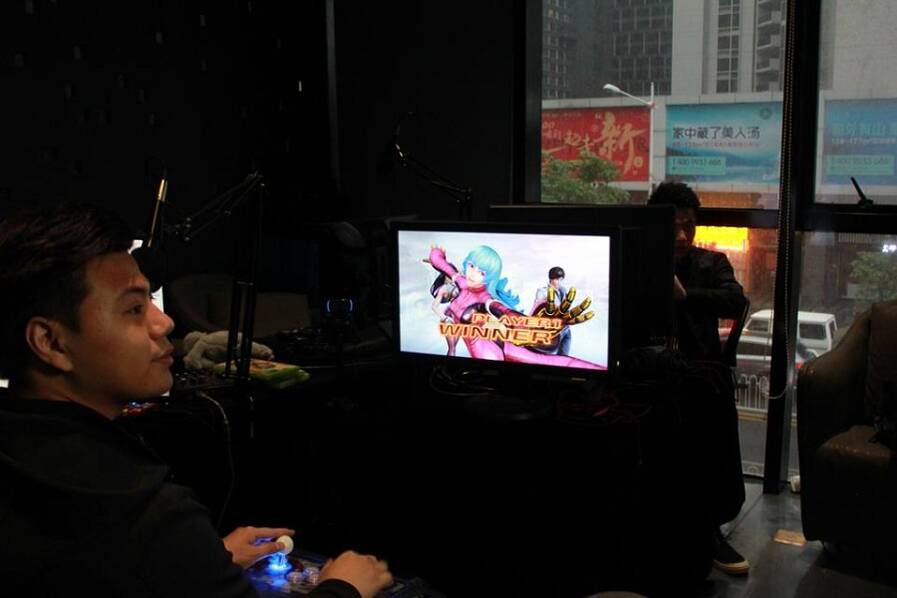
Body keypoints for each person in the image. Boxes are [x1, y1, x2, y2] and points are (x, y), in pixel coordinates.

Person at [0, 202, 393, 598]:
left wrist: (196, 560)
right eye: (134, 309)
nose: (164, 322)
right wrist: (343, 587)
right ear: (50, 342)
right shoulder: (138, 512)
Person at [647, 181, 750, 576]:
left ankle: (709, 529)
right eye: (673, 226)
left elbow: (735, 300)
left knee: (704, 420)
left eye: (688, 226)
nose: (681, 236)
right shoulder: (640, 259)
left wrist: (686, 295)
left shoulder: (711, 263)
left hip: (698, 374)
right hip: (650, 374)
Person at [426, 244, 602, 369]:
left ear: (489, 277)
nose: (473, 273)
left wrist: (546, 324)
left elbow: (508, 314)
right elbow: (440, 262)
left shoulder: (485, 298)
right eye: (471, 266)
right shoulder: (461, 281)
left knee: (564, 364)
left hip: (503, 351)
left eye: (482, 272)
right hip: (484, 362)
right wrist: (436, 254)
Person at [530, 266, 572, 355]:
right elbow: (537, 307)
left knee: (564, 354)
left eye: (560, 279)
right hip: (551, 326)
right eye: (557, 279)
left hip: (564, 326)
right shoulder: (543, 291)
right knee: (549, 353)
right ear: (551, 279)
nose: (559, 282)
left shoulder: (563, 290)